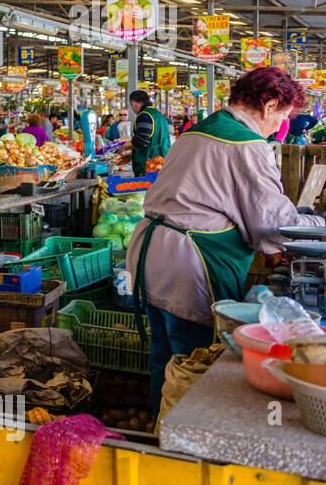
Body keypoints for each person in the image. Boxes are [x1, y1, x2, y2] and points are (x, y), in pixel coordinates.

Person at [127, 68, 325, 416]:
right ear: (269, 105)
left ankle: (160, 429)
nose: (280, 124)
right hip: (190, 264)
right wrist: (316, 222)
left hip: (151, 256)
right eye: (283, 115)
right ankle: (183, 442)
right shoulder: (245, 144)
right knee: (194, 362)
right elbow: (274, 226)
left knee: (164, 358)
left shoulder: (197, 131)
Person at [127, 90, 170, 175]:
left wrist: (123, 147)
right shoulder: (159, 115)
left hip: (148, 165)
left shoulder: (144, 116)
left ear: (134, 103)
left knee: (146, 187)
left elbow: (142, 140)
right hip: (163, 161)